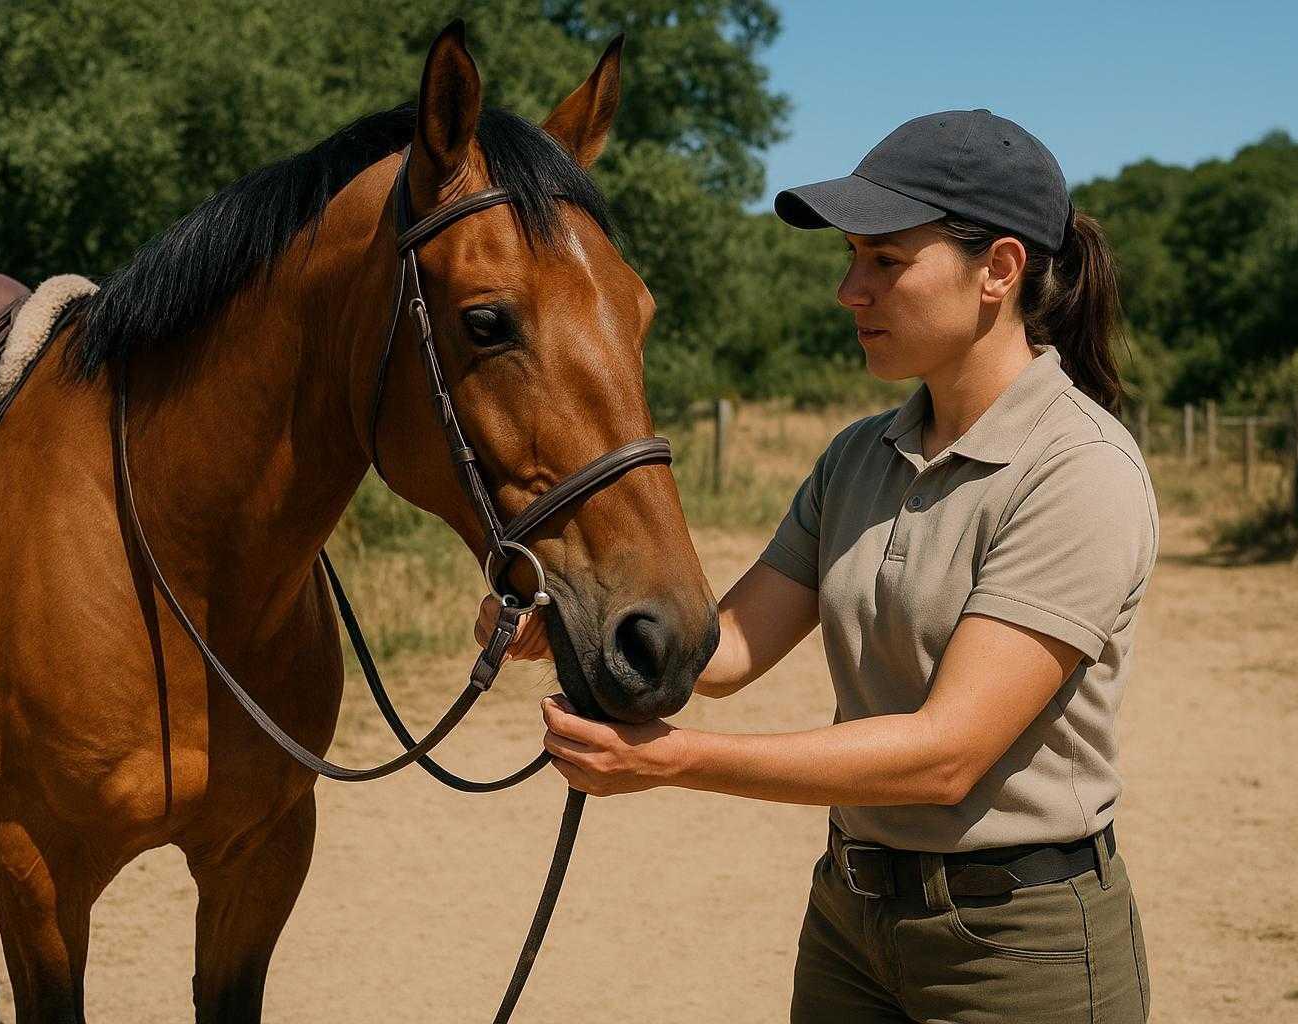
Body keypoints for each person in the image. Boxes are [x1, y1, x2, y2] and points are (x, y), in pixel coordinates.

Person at [476, 108, 1157, 1023]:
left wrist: (671, 762)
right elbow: (726, 654)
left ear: (999, 270)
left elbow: (946, 759)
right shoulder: (858, 456)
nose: (849, 290)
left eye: (885, 261)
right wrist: (565, 618)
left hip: (1016, 948)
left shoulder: (1078, 471)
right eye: (850, 258)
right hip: (850, 918)